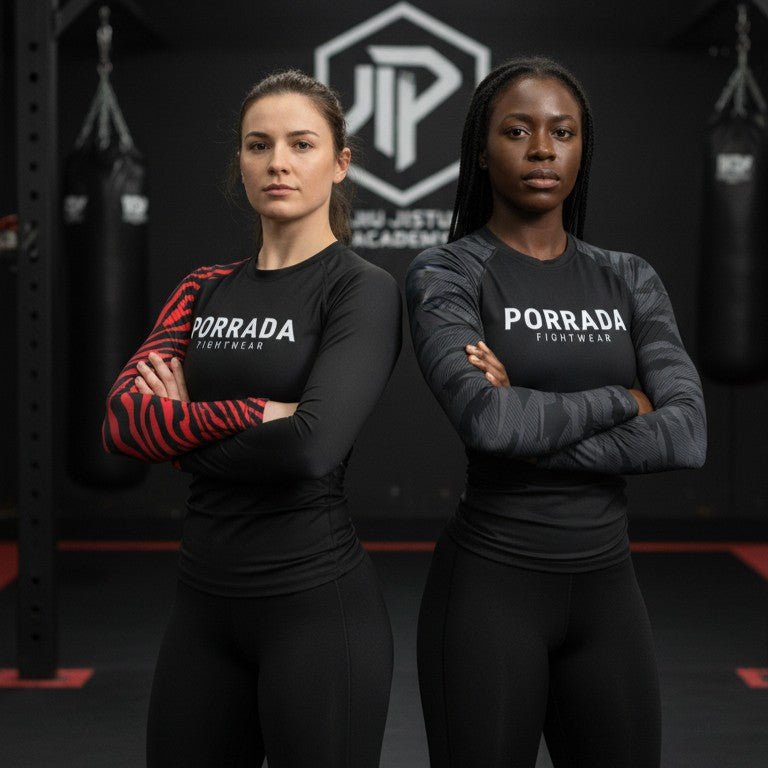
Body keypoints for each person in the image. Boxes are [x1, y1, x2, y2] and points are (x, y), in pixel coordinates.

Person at [406, 56, 707, 768]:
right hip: (488, 596)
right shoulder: (447, 273)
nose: (542, 148)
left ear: (582, 148)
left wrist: (531, 419)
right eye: (518, 131)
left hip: (609, 595)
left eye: (562, 132)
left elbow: (687, 433)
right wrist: (623, 401)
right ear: (482, 149)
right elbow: (489, 424)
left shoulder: (629, 278)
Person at [103, 70, 401, 768]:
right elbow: (120, 424)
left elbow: (309, 447)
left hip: (316, 611)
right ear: (239, 162)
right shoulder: (202, 288)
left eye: (301, 144)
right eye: (258, 145)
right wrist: (256, 411)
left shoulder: (361, 289)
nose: (278, 163)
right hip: (201, 613)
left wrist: (178, 433)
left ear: (340, 161)